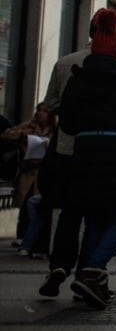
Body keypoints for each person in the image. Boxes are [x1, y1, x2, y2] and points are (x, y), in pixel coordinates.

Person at [38, 8, 116, 301]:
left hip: (69, 148)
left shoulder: (65, 63)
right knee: (101, 212)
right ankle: (89, 271)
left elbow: (50, 105)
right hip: (113, 153)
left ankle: (59, 265)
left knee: (70, 212)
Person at [2, 102, 53, 255]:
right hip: (29, 171)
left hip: (44, 172)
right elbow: (6, 135)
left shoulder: (55, 128)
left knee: (37, 205)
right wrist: (22, 133)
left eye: (45, 111)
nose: (41, 113)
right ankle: (23, 235)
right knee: (26, 202)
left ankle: (31, 240)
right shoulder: (29, 125)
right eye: (39, 110)